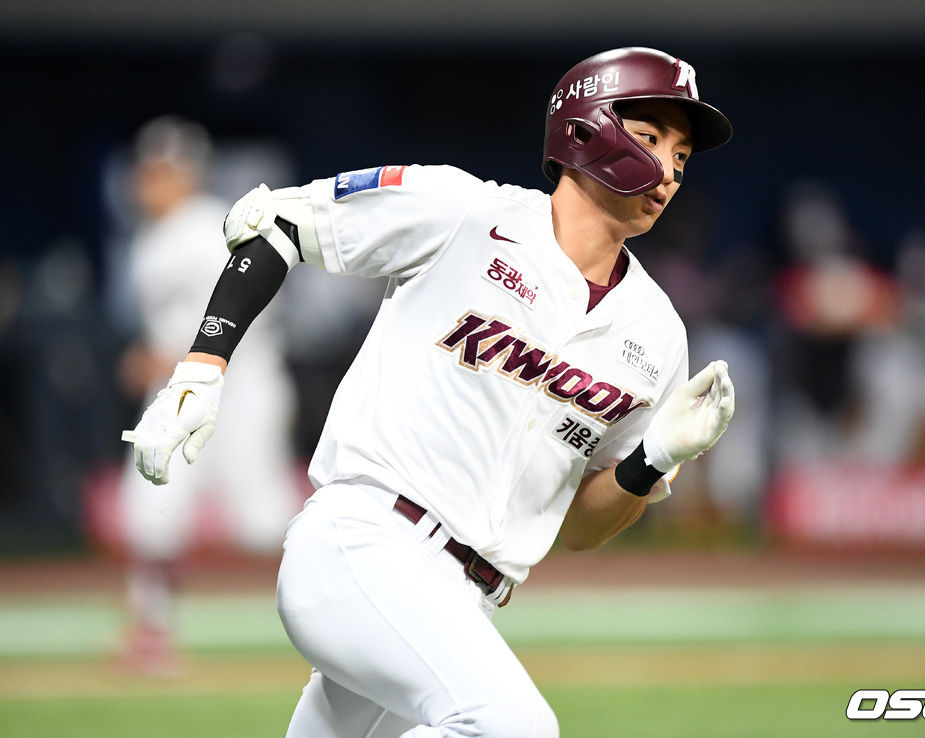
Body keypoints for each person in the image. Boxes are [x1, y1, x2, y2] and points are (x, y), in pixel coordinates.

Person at [123, 48, 736, 736]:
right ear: (586, 129)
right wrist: (202, 369)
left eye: (683, 155)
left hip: (461, 601)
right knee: (511, 727)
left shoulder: (656, 334)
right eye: (652, 138)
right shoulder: (465, 212)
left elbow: (582, 529)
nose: (672, 170)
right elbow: (277, 226)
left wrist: (652, 456)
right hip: (365, 544)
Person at [116, 116, 300, 672]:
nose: (153, 182)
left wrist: (168, 354)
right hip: (179, 390)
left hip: (240, 386)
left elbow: (248, 313)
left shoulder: (208, 229)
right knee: (150, 508)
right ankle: (151, 628)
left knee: (264, 522)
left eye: (166, 171)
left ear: (189, 174)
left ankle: (336, 610)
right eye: (148, 171)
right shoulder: (149, 239)